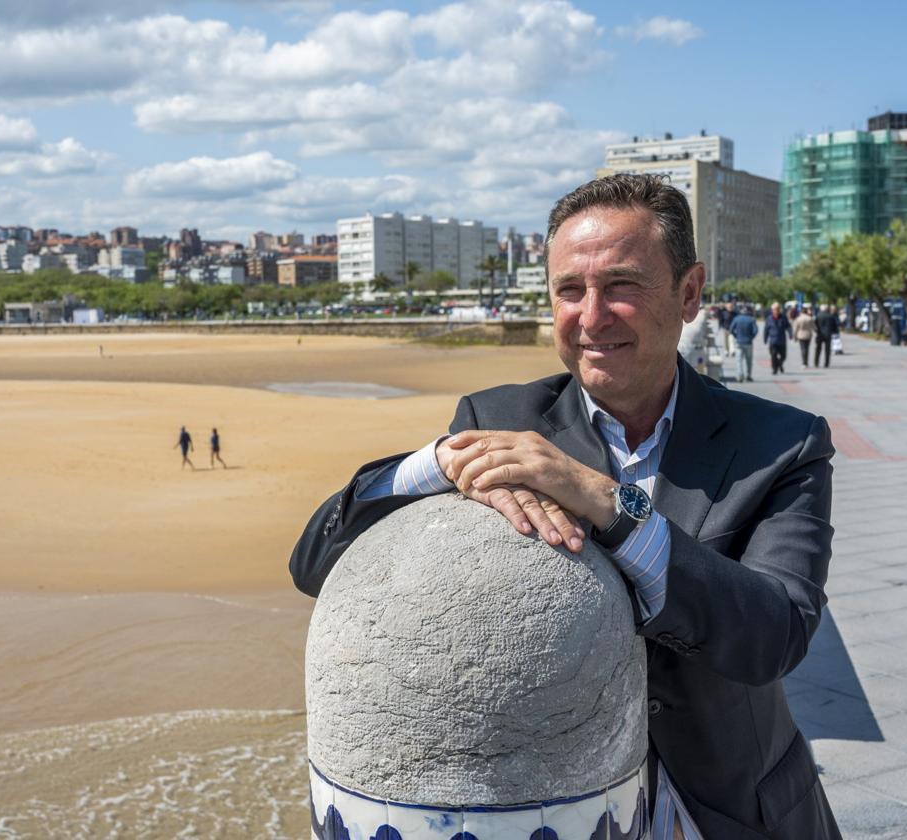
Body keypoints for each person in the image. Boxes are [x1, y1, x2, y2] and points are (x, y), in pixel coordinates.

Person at [290, 174, 839, 839]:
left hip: (728, 808)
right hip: (556, 806)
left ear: (689, 292)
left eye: (622, 286)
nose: (591, 316)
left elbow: (775, 635)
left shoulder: (782, 444)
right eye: (569, 290)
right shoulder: (498, 420)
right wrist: (436, 462)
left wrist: (606, 502)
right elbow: (314, 560)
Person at [728, 304, 758, 382]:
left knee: (739, 360)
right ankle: (748, 375)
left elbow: (731, 329)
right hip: (748, 342)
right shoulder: (751, 319)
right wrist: (751, 337)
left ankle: (740, 375)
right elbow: (755, 331)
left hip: (739, 342)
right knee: (749, 360)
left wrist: (736, 336)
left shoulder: (736, 319)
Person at [763, 301, 792, 375]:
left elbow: (788, 326)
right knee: (773, 356)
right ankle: (774, 369)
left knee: (784, 356)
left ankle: (779, 364)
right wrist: (765, 338)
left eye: (777, 309)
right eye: (774, 309)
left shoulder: (783, 317)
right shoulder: (769, 318)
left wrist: (790, 334)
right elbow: (766, 329)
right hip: (773, 340)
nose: (776, 311)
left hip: (782, 340)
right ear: (772, 310)